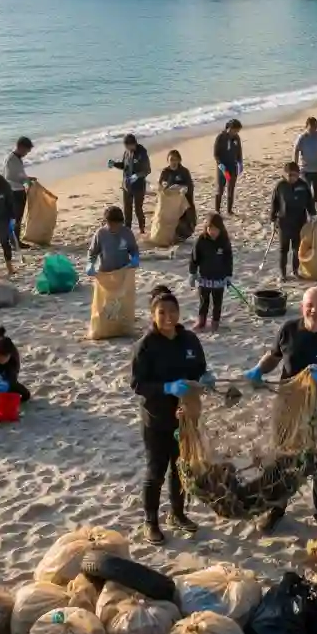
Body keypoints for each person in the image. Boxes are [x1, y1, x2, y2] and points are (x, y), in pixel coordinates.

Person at [244, 287, 317, 535]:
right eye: (310, 305)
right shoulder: (289, 330)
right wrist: (258, 370)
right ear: (302, 306)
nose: (314, 310)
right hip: (288, 408)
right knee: (282, 460)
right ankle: (276, 509)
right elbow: (274, 356)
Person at [130, 291, 213, 543]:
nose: (168, 317)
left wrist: (206, 379)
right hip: (156, 419)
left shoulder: (189, 340)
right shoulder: (145, 345)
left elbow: (200, 368)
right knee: (156, 470)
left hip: (185, 417)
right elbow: (137, 384)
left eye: (172, 311)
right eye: (162, 312)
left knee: (180, 468)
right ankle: (151, 521)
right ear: (153, 315)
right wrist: (166, 387)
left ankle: (177, 513)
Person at [270, 161, 317, 281]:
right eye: (289, 175)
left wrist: (313, 215)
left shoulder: (303, 185)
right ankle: (283, 274)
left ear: (298, 174)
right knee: (283, 249)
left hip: (299, 222)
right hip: (284, 223)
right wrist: (272, 219)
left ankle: (295, 271)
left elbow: (309, 202)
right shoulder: (280, 186)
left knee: (297, 249)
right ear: (284, 175)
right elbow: (274, 203)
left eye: (294, 175)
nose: (291, 178)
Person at [188, 212, 233, 331]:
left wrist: (228, 275)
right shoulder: (201, 241)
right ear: (206, 228)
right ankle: (201, 321)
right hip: (205, 278)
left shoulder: (224, 241)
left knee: (217, 302)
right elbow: (194, 258)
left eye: (215, 229)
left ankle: (215, 322)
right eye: (210, 228)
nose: (212, 231)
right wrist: (192, 273)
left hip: (219, 278)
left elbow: (228, 259)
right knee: (204, 301)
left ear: (220, 229)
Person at [108, 134, 152, 234]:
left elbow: (147, 170)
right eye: (125, 146)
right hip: (127, 186)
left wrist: (137, 175)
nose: (126, 148)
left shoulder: (142, 153)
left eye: (127, 146)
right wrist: (114, 164)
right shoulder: (127, 152)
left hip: (139, 186)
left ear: (133, 144)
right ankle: (127, 230)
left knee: (138, 209)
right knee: (127, 210)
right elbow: (124, 165)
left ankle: (142, 230)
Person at [85, 206, 140, 275]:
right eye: (111, 225)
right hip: (105, 272)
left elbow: (134, 249)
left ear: (121, 222)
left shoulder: (127, 233)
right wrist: (90, 264)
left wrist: (135, 258)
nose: (114, 229)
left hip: (124, 272)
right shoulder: (100, 234)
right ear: (106, 222)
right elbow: (92, 253)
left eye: (117, 226)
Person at [3, 136, 35, 249]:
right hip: (14, 192)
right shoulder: (11, 159)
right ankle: (14, 242)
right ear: (21, 147)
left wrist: (27, 179)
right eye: (26, 150)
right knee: (16, 218)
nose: (26, 153)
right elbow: (10, 177)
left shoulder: (16, 158)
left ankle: (14, 240)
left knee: (17, 218)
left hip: (19, 190)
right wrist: (26, 181)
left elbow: (19, 174)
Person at [159, 149, 196, 237]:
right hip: (170, 201)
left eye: (176, 159)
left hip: (183, 200)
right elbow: (160, 185)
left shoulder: (184, 171)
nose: (173, 162)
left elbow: (190, 185)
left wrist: (184, 188)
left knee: (185, 218)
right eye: (171, 160)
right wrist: (163, 185)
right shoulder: (165, 172)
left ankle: (183, 234)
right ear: (168, 160)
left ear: (179, 160)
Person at [213, 119, 243, 215]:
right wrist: (221, 165)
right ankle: (217, 210)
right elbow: (216, 154)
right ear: (229, 128)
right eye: (234, 130)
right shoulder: (220, 137)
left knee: (231, 188)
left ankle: (229, 210)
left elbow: (239, 152)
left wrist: (240, 163)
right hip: (223, 167)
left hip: (232, 166)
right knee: (220, 188)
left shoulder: (236, 138)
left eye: (237, 131)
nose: (235, 133)